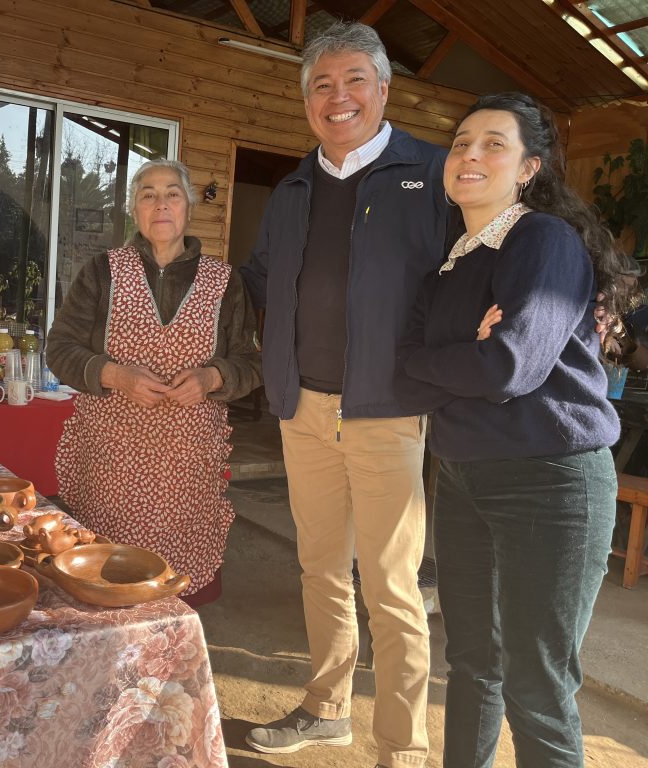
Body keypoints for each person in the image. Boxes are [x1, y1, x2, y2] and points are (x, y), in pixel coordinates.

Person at [394, 92, 638, 768]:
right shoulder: (452, 260)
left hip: (551, 482)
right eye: (462, 141)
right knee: (472, 662)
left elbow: (508, 366)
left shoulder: (542, 240)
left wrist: (465, 358)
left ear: (529, 166)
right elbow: (403, 372)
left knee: (536, 681)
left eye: (492, 143)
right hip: (464, 477)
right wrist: (462, 357)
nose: (469, 154)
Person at [239, 21, 454, 768]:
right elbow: (261, 280)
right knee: (320, 567)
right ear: (307, 102)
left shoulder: (430, 174)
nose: (339, 97)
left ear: (384, 89)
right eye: (322, 85)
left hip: (387, 408)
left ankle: (402, 745)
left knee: (392, 585)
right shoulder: (293, 188)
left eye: (354, 79)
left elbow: (477, 263)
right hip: (305, 409)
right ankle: (326, 707)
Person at [47, 158, 262, 607]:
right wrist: (113, 374)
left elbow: (250, 361)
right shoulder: (102, 272)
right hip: (110, 461)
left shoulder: (225, 282)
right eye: (148, 194)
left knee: (173, 584)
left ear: (187, 208)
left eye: (172, 194)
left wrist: (212, 376)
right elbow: (60, 347)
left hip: (186, 467)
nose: (160, 204)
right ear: (134, 209)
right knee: (105, 577)